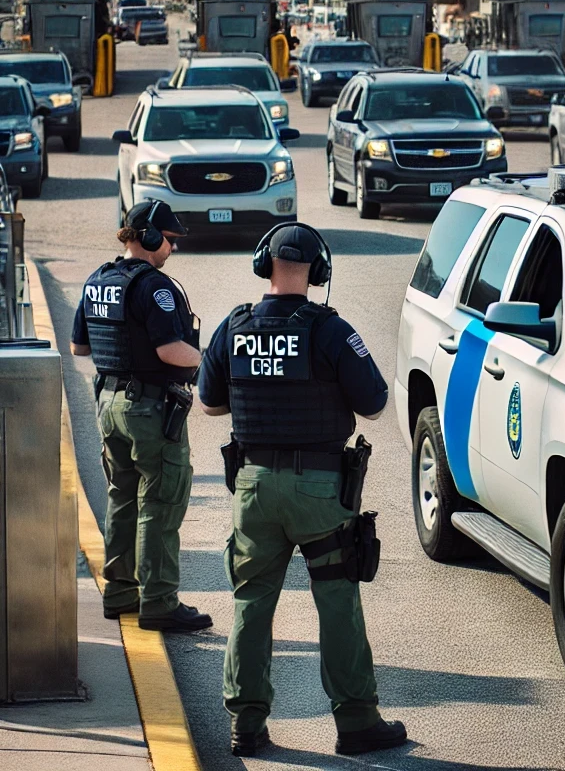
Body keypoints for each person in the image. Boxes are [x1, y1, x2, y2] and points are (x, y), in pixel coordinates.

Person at [198, 224, 406, 759]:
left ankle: (246, 726)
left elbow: (210, 404)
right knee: (337, 601)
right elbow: (377, 405)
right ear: (319, 272)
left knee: (251, 599)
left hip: (254, 487)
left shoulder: (234, 325)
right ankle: (356, 723)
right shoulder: (330, 331)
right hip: (319, 491)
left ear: (262, 263)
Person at [71, 201, 211, 632]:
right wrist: (211, 365)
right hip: (148, 408)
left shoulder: (99, 280)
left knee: (122, 496)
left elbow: (80, 347)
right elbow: (170, 349)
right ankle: (159, 602)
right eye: (169, 240)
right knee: (161, 503)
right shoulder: (156, 288)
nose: (172, 248)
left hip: (109, 403)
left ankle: (118, 594)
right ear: (148, 236)